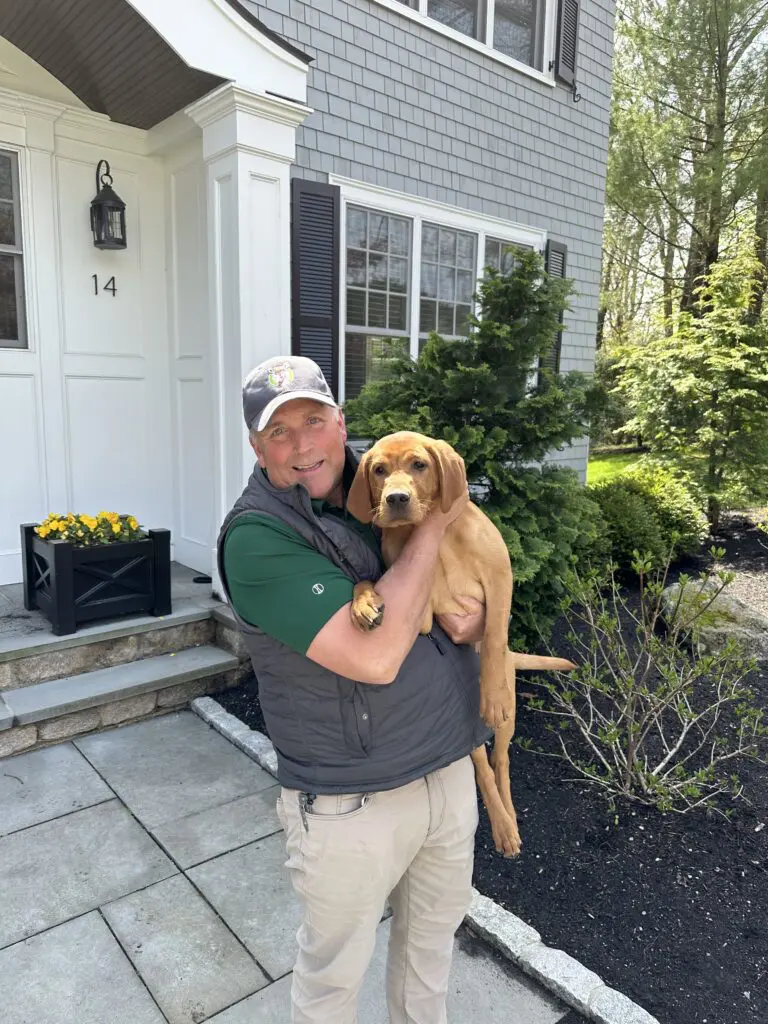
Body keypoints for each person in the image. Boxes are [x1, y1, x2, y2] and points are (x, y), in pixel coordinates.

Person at [217, 355, 490, 1024]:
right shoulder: (257, 538)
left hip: (448, 771)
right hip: (352, 801)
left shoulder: (390, 471)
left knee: (430, 955)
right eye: (279, 433)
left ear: (341, 422)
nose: (303, 445)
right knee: (334, 978)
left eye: (315, 420)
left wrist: (475, 605)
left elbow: (469, 606)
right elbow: (372, 654)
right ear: (256, 447)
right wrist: (432, 527)